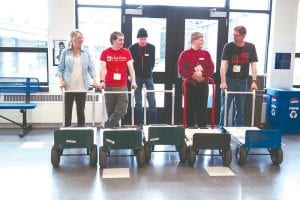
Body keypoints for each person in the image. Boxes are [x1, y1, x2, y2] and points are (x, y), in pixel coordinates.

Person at [57, 30, 98, 127]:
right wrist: (61, 81)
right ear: (72, 40)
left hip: (82, 86)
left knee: (81, 112)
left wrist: (94, 80)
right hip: (69, 86)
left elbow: (91, 67)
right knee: (68, 112)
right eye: (78, 38)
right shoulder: (65, 52)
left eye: (82, 38)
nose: (81, 40)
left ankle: (81, 133)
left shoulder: (86, 52)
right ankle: (67, 133)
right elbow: (60, 68)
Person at [219, 25, 258, 127]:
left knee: (240, 109)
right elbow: (223, 64)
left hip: (242, 81)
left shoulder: (251, 47)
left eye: (237, 35)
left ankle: (239, 131)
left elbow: (253, 66)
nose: (234, 37)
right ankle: (222, 130)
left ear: (243, 36)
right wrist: (223, 82)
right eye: (233, 35)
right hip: (229, 80)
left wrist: (254, 81)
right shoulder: (228, 46)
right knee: (225, 108)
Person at [99, 31, 137, 128]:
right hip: (109, 86)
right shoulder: (105, 52)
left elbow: (131, 68)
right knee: (111, 112)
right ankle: (112, 138)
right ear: (113, 40)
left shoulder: (126, 52)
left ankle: (106, 127)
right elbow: (102, 68)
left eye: (123, 40)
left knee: (122, 110)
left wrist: (133, 81)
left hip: (122, 86)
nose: (122, 42)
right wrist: (102, 81)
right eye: (120, 40)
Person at [177, 32, 214, 127]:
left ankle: (202, 129)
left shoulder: (206, 54)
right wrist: (193, 75)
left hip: (202, 85)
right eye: (201, 40)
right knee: (189, 109)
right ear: (194, 41)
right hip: (189, 85)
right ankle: (190, 128)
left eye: (203, 40)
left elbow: (211, 68)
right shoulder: (185, 54)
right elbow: (181, 69)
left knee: (202, 108)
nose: (203, 42)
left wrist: (202, 74)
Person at [129, 28, 157, 125]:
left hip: (148, 76)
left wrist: (149, 70)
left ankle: (153, 123)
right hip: (137, 77)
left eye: (144, 39)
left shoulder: (152, 47)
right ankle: (140, 123)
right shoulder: (132, 48)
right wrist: (131, 76)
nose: (143, 41)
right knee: (138, 101)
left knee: (152, 101)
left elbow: (152, 62)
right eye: (141, 39)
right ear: (138, 39)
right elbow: (130, 64)